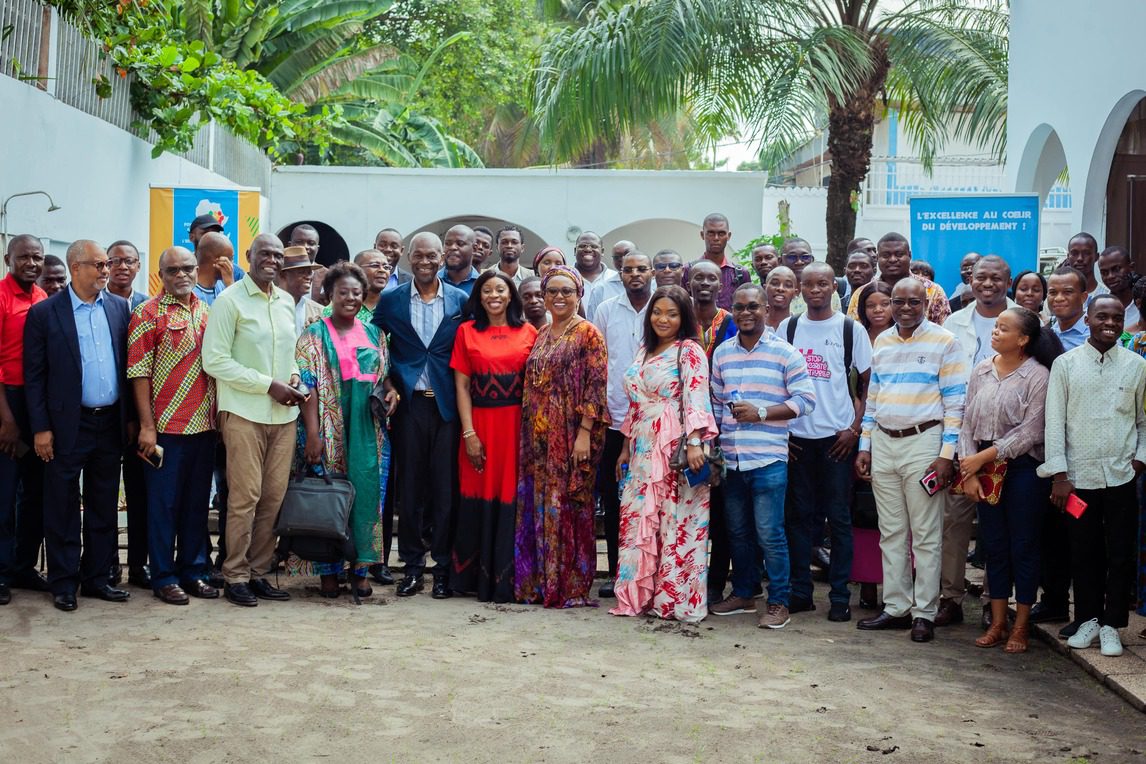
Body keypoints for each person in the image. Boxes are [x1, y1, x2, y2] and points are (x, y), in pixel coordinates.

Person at [25, 240, 134, 612]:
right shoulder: (45, 314)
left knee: (104, 504)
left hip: (110, 422)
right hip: (66, 425)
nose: (107, 270)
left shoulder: (119, 308)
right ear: (75, 268)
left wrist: (131, 419)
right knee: (62, 506)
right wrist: (41, 428)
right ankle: (63, 582)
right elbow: (35, 377)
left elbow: (128, 368)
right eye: (99, 264)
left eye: (108, 264)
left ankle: (97, 578)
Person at [855, 279, 967, 643]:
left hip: (925, 441)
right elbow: (872, 400)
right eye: (897, 302)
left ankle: (924, 613)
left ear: (926, 303)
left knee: (926, 534)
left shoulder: (945, 342)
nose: (905, 308)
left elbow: (955, 405)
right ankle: (897, 607)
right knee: (891, 532)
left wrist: (946, 455)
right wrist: (865, 445)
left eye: (913, 302)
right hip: (885, 442)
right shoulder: (883, 342)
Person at [202, 233, 306, 607]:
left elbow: (289, 354)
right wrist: (267, 385)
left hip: (283, 415)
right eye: (265, 253)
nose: (272, 260)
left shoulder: (284, 302)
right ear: (248, 256)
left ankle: (260, 571)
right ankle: (235, 575)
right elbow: (213, 360)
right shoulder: (229, 301)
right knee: (245, 497)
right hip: (244, 412)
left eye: (278, 256)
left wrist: (292, 378)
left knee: (273, 499)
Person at [1040, 295, 1146, 657]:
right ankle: (1087, 620)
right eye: (1102, 316)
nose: (1111, 324)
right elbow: (1054, 421)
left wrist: (1139, 461)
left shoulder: (1136, 366)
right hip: (1077, 479)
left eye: (1117, 318)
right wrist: (1059, 474)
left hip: (1120, 477)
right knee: (1082, 551)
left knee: (1119, 552)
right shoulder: (1066, 365)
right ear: (1087, 319)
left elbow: (1143, 420)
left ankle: (1112, 625)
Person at [710, 283, 816, 629]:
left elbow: (806, 401)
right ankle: (743, 593)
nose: (745, 313)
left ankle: (779, 601)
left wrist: (762, 412)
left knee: (770, 533)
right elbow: (713, 403)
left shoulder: (786, 353)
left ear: (766, 310)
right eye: (739, 307)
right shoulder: (723, 353)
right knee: (738, 532)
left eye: (753, 307)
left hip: (768, 459)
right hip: (731, 459)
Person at [610, 285, 718, 622]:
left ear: (683, 317)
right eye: (658, 312)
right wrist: (625, 448)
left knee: (676, 520)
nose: (663, 319)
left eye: (672, 313)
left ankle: (674, 601)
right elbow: (635, 404)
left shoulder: (688, 350)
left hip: (676, 448)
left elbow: (697, 396)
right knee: (640, 519)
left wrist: (697, 442)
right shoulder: (644, 349)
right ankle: (638, 596)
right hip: (642, 447)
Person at [957, 307, 1062, 652]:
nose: (996, 333)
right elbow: (967, 422)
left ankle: (1021, 624)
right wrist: (968, 469)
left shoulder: (1038, 376)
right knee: (995, 547)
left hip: (1022, 471)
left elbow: (1031, 431)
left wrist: (980, 460)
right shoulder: (982, 370)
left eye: (1004, 329)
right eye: (996, 327)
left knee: (1024, 546)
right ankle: (998, 622)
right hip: (982, 468)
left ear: (1024, 339)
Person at [373, 232, 467, 599]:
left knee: (445, 491)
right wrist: (388, 384)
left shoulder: (460, 300)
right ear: (409, 258)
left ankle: (442, 567)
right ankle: (412, 567)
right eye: (418, 256)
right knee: (409, 490)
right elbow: (377, 348)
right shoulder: (392, 300)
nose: (425, 261)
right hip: (409, 406)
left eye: (432, 255)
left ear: (442, 257)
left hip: (447, 407)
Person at [296, 262, 398, 599]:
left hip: (369, 431)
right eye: (343, 292)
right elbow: (307, 386)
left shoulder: (374, 334)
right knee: (329, 497)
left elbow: (382, 375)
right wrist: (312, 433)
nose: (351, 298)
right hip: (328, 427)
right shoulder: (314, 333)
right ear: (330, 295)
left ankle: (361, 569)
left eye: (357, 292)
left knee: (367, 497)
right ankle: (328, 570)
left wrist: (390, 390)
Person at [778, 263, 872, 622]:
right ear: (799, 289)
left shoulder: (851, 329)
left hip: (837, 439)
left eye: (822, 284)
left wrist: (855, 428)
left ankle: (838, 596)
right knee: (798, 519)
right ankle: (801, 591)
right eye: (808, 285)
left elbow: (867, 384)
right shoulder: (788, 328)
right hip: (798, 438)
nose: (815, 290)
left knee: (840, 519)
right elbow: (777, 384)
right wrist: (782, 432)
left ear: (834, 286)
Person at [127, 246, 219, 605]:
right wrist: (146, 427)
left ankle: (193, 570)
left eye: (187, 268)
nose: (181, 275)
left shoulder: (207, 311)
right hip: (165, 429)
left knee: (196, 506)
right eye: (172, 270)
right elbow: (138, 373)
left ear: (197, 270)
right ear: (161, 275)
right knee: (162, 506)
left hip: (204, 427)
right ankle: (163, 576)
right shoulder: (147, 314)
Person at [515, 266, 609, 608]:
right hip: (537, 438)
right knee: (540, 503)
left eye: (566, 291)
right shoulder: (541, 333)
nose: (558, 297)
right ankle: (540, 581)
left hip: (571, 433)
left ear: (578, 294)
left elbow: (596, 389)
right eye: (552, 291)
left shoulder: (588, 333)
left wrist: (584, 434)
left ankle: (569, 584)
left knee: (569, 506)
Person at [937, 254, 1016, 627]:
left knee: (997, 528)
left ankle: (992, 599)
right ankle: (950, 598)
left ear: (1008, 280)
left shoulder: (1026, 319)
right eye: (981, 277)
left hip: (1008, 442)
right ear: (971, 280)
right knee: (954, 523)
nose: (987, 284)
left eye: (996, 278)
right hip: (962, 436)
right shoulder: (955, 322)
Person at [450, 271, 537, 602]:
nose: (494, 295)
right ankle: (472, 579)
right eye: (487, 290)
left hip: (516, 427)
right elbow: (461, 386)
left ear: (511, 295)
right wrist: (469, 432)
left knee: (510, 496)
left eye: (501, 289)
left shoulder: (528, 332)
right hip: (479, 425)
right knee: (477, 492)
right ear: (479, 296)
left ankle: (508, 579)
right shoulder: (466, 332)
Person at [593, 251, 654, 598]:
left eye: (641, 269)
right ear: (620, 273)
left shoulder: (662, 307)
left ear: (651, 273)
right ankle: (617, 571)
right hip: (614, 417)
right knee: (614, 501)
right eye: (628, 269)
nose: (635, 274)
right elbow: (600, 360)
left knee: (650, 498)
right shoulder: (605, 309)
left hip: (652, 420)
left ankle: (647, 571)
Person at [0, 235, 48, 604]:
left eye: (37, 257)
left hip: (36, 402)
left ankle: (23, 567)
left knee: (34, 493)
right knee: (4, 494)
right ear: (8, 259)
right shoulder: (1, 297)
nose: (31, 263)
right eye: (24, 257)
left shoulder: (42, 298)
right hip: (6, 403)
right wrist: (8, 420)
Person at [103, 240, 150, 588]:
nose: (121, 267)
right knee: (101, 495)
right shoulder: (94, 303)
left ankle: (138, 565)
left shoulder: (148, 306)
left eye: (129, 261)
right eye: (114, 261)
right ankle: (105, 565)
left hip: (141, 417)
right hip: (103, 414)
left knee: (140, 494)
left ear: (138, 266)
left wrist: (142, 418)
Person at [853, 281, 894, 608]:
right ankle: (867, 582)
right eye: (872, 305)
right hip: (857, 434)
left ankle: (896, 586)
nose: (878, 310)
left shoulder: (904, 338)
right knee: (865, 513)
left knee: (894, 516)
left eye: (885, 304)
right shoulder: (852, 335)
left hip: (894, 433)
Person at [847, 232, 950, 326]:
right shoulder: (861, 293)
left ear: (910, 255)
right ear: (877, 257)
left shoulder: (933, 291)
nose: (892, 259)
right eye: (886, 255)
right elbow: (855, 333)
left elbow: (943, 332)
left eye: (899, 254)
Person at [682, 213, 751, 311]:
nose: (716, 238)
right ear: (702, 235)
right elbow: (682, 306)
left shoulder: (740, 274)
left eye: (721, 233)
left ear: (729, 236)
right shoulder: (688, 270)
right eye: (711, 233)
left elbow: (747, 308)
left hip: (730, 326)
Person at [328, 249, 391, 323]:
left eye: (386, 267)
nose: (382, 270)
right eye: (375, 265)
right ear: (357, 269)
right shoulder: (337, 308)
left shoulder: (393, 307)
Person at [783, 238, 841, 316]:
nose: (799, 262)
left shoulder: (829, 293)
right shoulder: (776, 292)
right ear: (780, 260)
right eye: (792, 257)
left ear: (812, 260)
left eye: (805, 257)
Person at [278, 246, 324, 337]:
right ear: (283, 275)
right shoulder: (268, 307)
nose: (308, 277)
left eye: (309, 272)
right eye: (301, 272)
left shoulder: (319, 312)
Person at [584, 240, 633, 320]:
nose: (623, 259)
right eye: (617, 257)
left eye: (627, 254)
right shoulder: (600, 289)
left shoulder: (651, 286)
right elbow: (593, 325)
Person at [193, 231, 243, 306]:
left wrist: (230, 285)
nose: (232, 264)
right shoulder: (191, 293)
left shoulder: (222, 285)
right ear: (218, 261)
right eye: (230, 259)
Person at [1047, 265, 1090, 351]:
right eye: (1053, 292)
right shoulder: (1047, 332)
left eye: (1067, 292)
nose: (1059, 298)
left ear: (1083, 297)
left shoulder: (1097, 335)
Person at [1098, 245, 1140, 329]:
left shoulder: (1142, 305)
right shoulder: (1098, 306)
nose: (1110, 276)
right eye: (1104, 272)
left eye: (1116, 269)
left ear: (1131, 268)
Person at [441, 225, 481, 296]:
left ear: (474, 249)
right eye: (448, 243)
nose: (452, 247)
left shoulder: (483, 284)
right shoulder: (432, 282)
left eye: (460, 244)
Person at [1065, 231, 1106, 297]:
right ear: (1068, 257)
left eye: (1086, 253)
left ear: (1096, 257)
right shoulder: (1057, 297)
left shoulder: (1107, 296)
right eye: (1074, 253)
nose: (1080, 258)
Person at [375, 227, 412, 292]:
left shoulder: (411, 281)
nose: (388, 249)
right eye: (383, 245)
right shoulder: (362, 276)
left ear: (401, 251)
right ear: (375, 247)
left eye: (394, 246)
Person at [763, 266, 798, 331]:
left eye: (788, 285)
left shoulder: (799, 325)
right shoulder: (756, 324)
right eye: (775, 283)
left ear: (795, 293)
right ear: (765, 288)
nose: (780, 289)